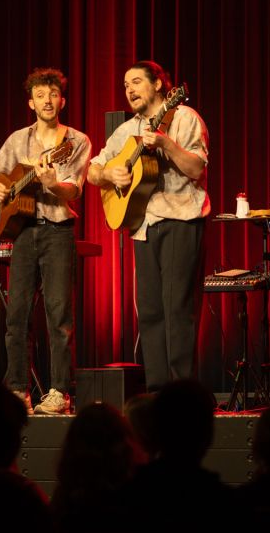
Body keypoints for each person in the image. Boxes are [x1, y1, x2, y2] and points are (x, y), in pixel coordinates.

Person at [88, 60, 210, 392]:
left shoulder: (183, 117)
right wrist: (110, 174)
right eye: (125, 84)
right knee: (151, 313)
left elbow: (197, 169)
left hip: (181, 219)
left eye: (137, 81)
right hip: (143, 226)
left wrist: (167, 144)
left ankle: (181, 393)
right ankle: (157, 392)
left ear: (159, 85)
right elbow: (93, 169)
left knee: (176, 311)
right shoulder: (127, 131)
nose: (129, 89)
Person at [0, 67, 90, 415]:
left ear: (62, 100)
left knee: (59, 315)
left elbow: (74, 189)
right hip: (24, 232)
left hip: (58, 230)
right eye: (41, 94)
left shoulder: (75, 142)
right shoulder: (17, 140)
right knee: (17, 316)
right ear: (31, 102)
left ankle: (60, 392)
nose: (47, 99)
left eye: (53, 94)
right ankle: (16, 390)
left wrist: (51, 182)